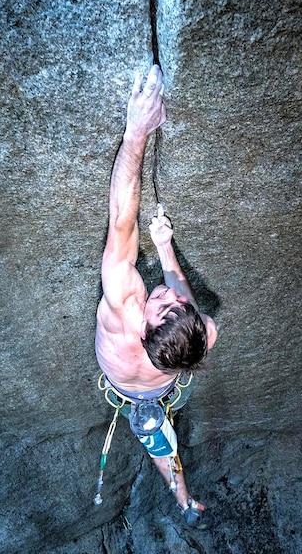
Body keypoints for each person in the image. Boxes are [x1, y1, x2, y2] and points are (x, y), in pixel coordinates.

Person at [95, 64, 218, 529]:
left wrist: (136, 133)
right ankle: (186, 503)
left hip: (138, 394)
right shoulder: (202, 335)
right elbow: (189, 309)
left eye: (164, 305)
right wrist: (165, 248)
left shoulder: (126, 306)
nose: (167, 292)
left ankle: (185, 501)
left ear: (144, 329)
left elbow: (122, 221)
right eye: (174, 302)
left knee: (157, 440)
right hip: (163, 386)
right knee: (161, 442)